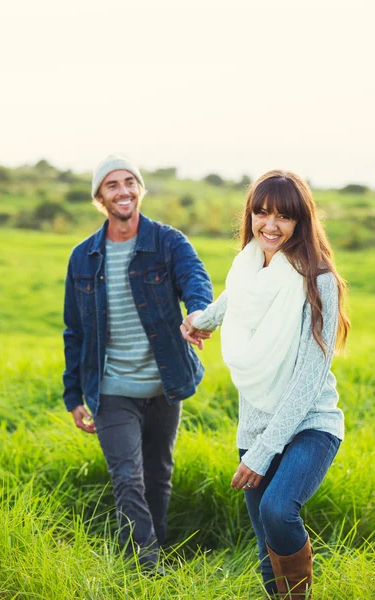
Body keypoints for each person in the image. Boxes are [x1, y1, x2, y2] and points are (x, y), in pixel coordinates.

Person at [180, 170, 349, 598]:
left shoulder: (320, 280)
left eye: (283, 217)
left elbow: (310, 379)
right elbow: (230, 302)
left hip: (310, 422)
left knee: (278, 509)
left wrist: (263, 451)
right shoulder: (248, 268)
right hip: (255, 423)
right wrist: (197, 321)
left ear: (301, 222)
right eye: (261, 213)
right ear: (250, 215)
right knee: (264, 545)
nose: (270, 226)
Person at [62, 155, 213, 570]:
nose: (123, 190)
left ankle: (155, 549)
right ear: (100, 197)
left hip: (164, 385)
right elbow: (74, 330)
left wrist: (198, 314)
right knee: (127, 477)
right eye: (112, 185)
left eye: (130, 182)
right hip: (111, 389)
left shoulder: (168, 242)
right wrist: (72, 393)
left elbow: (195, 279)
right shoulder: (83, 257)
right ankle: (147, 569)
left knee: (157, 473)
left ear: (140, 189)